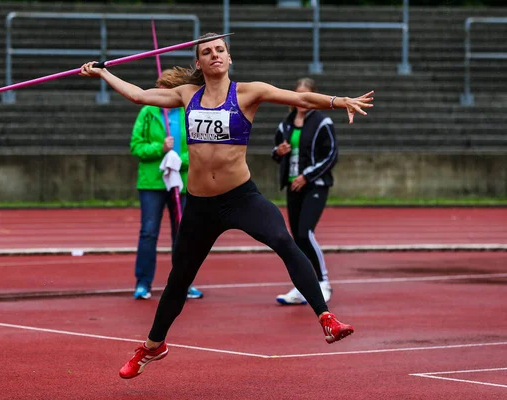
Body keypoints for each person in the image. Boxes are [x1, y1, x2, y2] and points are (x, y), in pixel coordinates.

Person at [79, 32, 373, 379]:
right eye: (207, 52)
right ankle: (152, 347)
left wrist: (340, 101)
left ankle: (326, 318)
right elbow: (141, 95)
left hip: (241, 198)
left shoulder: (249, 92)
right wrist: (103, 73)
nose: (215, 54)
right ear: (200, 63)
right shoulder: (187, 94)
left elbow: (299, 96)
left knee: (284, 240)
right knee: (179, 279)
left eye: (221, 50)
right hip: (201, 206)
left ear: (229, 59)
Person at [130, 68, 203, 301]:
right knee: (149, 232)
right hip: (152, 183)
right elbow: (136, 146)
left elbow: (199, 150)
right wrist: (159, 149)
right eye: (158, 88)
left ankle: (184, 282)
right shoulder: (148, 112)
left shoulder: (188, 113)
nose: (159, 93)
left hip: (180, 182)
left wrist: (178, 160)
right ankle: (143, 283)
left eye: (165, 89)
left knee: (183, 234)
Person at [272, 77, 337, 305]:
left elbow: (330, 155)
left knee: (305, 233)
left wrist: (306, 176)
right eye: (298, 94)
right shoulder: (286, 124)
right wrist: (279, 151)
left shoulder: (322, 122)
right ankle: (303, 286)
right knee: (296, 239)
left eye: (306, 95)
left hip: (315, 186)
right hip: (292, 186)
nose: (301, 100)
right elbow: (276, 150)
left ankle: (323, 282)